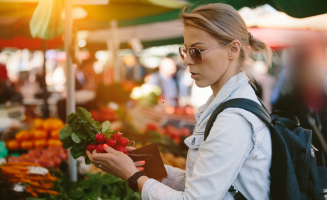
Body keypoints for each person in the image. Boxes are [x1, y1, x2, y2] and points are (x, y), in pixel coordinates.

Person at [86, 3, 272, 199]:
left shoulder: (232, 120)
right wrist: (145, 166)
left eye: (197, 51)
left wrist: (133, 176)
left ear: (233, 49)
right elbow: (203, 184)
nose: (187, 61)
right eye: (186, 50)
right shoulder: (229, 105)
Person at [273, 45, 327, 166]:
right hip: (303, 176)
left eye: (319, 67)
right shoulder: (285, 104)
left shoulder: (324, 99)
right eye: (310, 67)